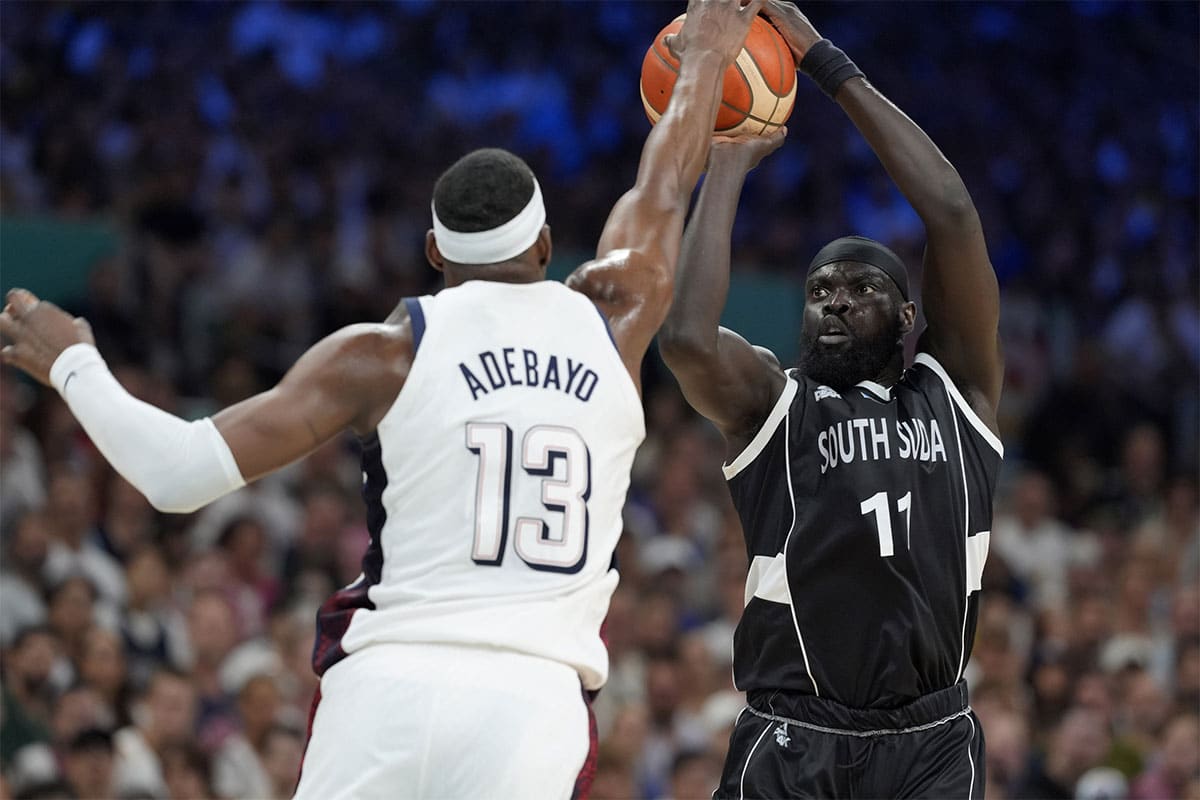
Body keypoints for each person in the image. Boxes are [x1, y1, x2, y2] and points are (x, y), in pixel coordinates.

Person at [0, 1, 765, 797]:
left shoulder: (382, 353)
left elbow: (177, 474)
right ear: (544, 244)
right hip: (531, 705)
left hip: (387, 689)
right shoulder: (618, 316)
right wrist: (707, 58)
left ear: (434, 252)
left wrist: (76, 365)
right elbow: (665, 185)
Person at [657, 1, 1004, 796]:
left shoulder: (959, 396)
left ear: (909, 316)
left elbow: (950, 211)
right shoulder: (774, 404)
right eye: (820, 290)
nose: (837, 301)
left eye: (862, 288)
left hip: (933, 739)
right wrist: (727, 165)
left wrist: (825, 62)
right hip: (795, 737)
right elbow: (685, 341)